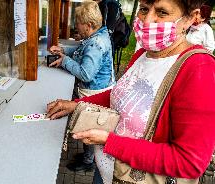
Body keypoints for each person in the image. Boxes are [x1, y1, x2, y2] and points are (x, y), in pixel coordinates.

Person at [46, 0, 215, 183]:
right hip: (106, 171)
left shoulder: (199, 69)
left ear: (190, 18)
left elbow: (189, 162)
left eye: (162, 12)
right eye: (143, 9)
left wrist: (110, 143)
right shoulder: (143, 53)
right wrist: (75, 104)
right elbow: (119, 94)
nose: (148, 20)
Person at [49, 1, 115, 172]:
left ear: (89, 25)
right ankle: (88, 157)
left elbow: (86, 74)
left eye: (78, 22)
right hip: (98, 89)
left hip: (94, 92)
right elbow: (82, 50)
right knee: (89, 127)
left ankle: (88, 162)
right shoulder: (96, 36)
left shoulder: (96, 43)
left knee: (89, 127)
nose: (75, 26)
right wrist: (63, 50)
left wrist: (64, 60)